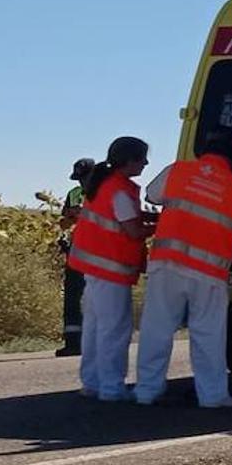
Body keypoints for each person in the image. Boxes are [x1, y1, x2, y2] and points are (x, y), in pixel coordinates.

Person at [133, 133, 232, 408]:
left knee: (157, 327)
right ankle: (212, 397)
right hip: (209, 273)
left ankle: (146, 391)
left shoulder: (177, 171)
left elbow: (152, 195)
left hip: (167, 264)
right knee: (209, 334)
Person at [66, 137, 151, 401]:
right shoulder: (121, 191)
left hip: (94, 267)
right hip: (111, 269)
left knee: (94, 328)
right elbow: (133, 230)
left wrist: (154, 217)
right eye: (142, 158)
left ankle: (92, 382)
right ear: (129, 160)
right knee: (114, 330)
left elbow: (126, 218)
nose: (146, 163)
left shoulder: (104, 184)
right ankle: (112, 388)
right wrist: (168, 225)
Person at [55, 157, 94, 357]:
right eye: (79, 179)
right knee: (72, 296)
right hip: (77, 249)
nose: (82, 182)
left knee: (95, 297)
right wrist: (67, 223)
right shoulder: (74, 193)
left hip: (98, 250)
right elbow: (65, 222)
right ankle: (72, 342)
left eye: (85, 177)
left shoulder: (103, 192)